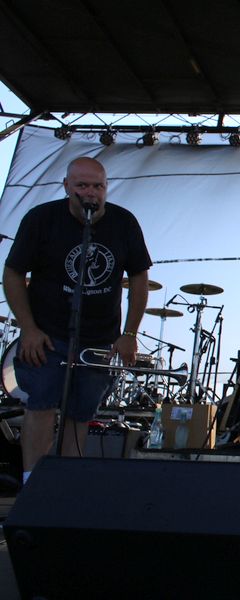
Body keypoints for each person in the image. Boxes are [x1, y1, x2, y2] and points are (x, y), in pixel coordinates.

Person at [3, 156, 152, 484]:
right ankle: (32, 483)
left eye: (98, 186)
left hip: (99, 338)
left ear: (106, 188)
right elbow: (13, 272)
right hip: (47, 333)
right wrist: (28, 328)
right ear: (67, 186)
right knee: (41, 403)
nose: (90, 193)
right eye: (82, 185)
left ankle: (67, 487)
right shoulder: (42, 219)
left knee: (81, 413)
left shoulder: (123, 222)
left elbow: (139, 277)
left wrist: (130, 333)